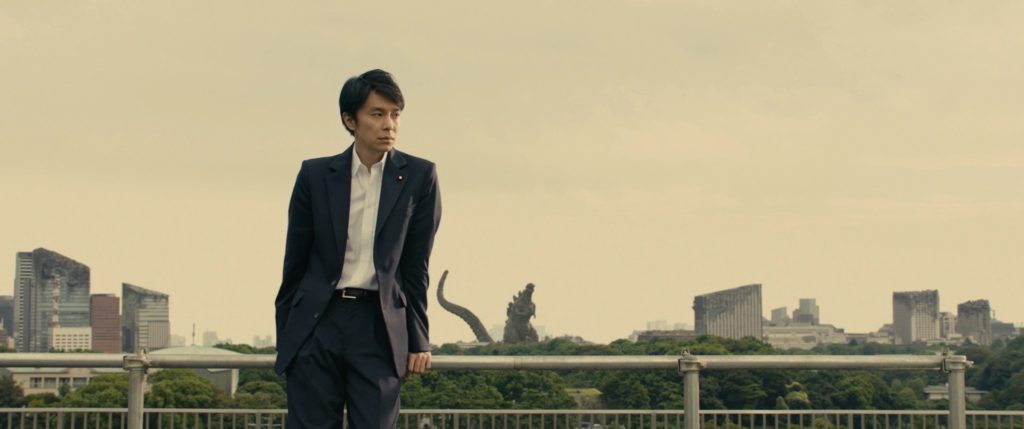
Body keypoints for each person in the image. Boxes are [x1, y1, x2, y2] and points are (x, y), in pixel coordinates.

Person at [273, 69, 441, 428]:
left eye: (395, 114)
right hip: (318, 322)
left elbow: (416, 266)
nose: (389, 125)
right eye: (377, 114)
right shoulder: (315, 175)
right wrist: (289, 338)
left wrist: (419, 339)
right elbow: (294, 263)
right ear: (350, 120)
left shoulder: (419, 176)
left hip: (379, 326)